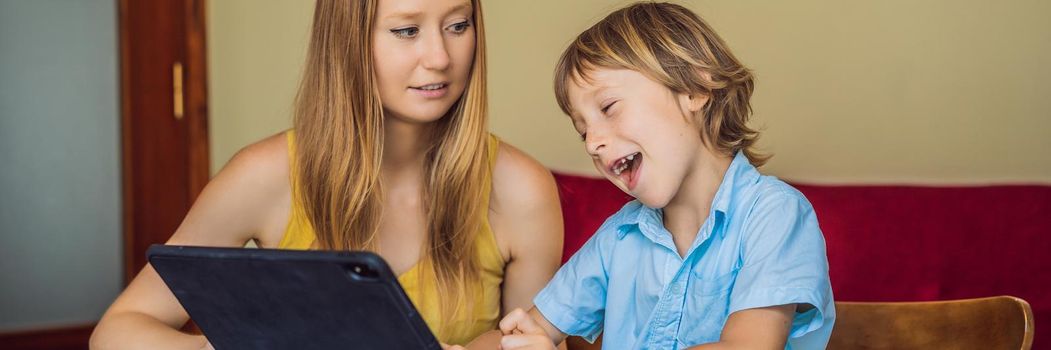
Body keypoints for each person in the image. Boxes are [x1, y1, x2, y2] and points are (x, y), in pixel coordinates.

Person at [90, 0, 564, 348]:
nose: (440, 57)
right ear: (347, 42)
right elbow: (117, 331)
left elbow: (538, 339)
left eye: (458, 25)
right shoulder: (265, 175)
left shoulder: (521, 189)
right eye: (405, 31)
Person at [498, 2, 835, 349]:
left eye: (608, 108)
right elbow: (531, 330)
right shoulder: (618, 238)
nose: (593, 144)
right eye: (583, 131)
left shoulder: (774, 215)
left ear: (694, 89)